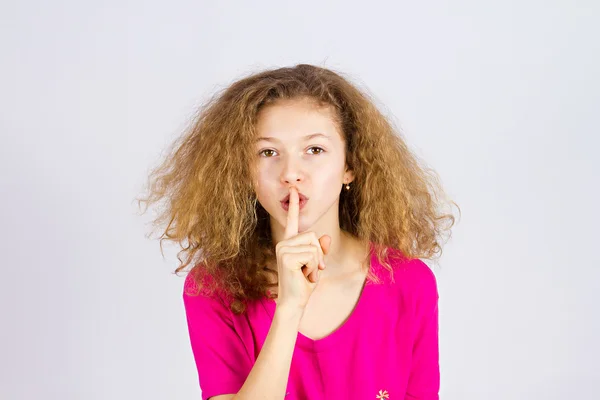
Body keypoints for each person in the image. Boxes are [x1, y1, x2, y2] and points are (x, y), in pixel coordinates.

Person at [137, 64, 458, 399]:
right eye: (268, 152)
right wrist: (290, 308)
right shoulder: (213, 290)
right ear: (246, 173)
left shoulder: (408, 282)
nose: (291, 173)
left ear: (349, 166)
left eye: (314, 150)